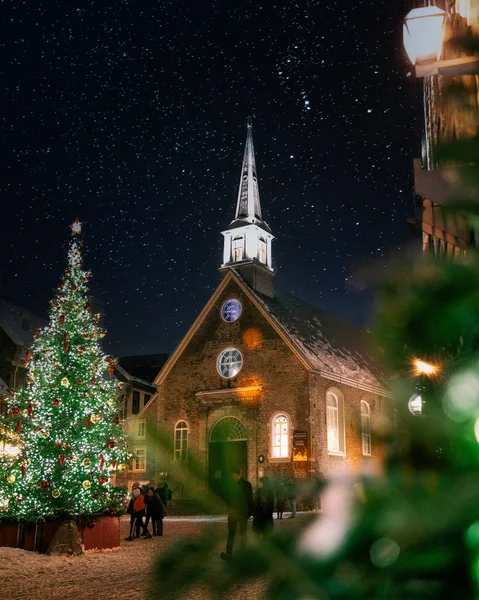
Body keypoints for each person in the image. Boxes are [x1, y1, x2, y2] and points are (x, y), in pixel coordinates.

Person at [220, 466, 253, 561]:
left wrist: (248, 513)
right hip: (233, 513)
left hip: (242, 513)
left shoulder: (247, 485)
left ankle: (244, 553)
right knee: (231, 533)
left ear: (240, 475)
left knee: (243, 534)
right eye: (233, 477)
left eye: (235, 476)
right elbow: (226, 497)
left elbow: (250, 500)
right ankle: (228, 553)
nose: (234, 478)